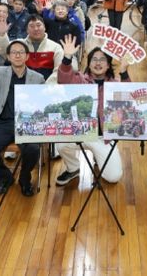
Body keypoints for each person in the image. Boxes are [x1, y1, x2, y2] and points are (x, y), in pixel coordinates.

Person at [54, 35, 127, 185]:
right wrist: (67, 58)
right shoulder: (79, 79)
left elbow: (130, 98)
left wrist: (124, 72)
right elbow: (63, 79)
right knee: (60, 144)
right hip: (81, 134)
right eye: (94, 59)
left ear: (108, 65)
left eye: (102, 60)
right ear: (89, 64)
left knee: (113, 177)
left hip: (103, 139)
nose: (98, 63)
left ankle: (98, 159)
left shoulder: (115, 84)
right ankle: (73, 168)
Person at [0, 37, 45, 196]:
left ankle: (24, 178)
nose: (17, 55)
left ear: (27, 56)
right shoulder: (1, 72)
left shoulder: (38, 78)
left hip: (26, 123)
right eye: (14, 52)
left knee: (33, 150)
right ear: (8, 56)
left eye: (21, 52)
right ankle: (5, 177)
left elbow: (43, 103)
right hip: (3, 123)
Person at [0, 15, 64, 83]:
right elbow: (4, 51)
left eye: (38, 25)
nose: (36, 29)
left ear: (44, 28)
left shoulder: (55, 47)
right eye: (32, 26)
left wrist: (46, 86)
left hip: (47, 87)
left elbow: (59, 70)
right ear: (27, 30)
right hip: (22, 86)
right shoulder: (19, 44)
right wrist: (2, 35)